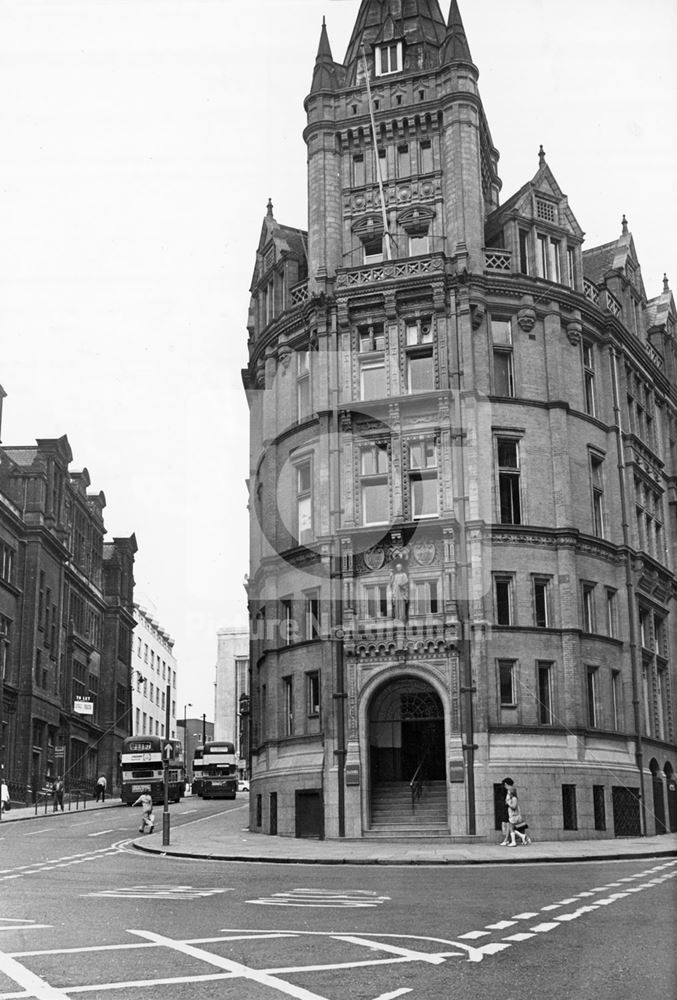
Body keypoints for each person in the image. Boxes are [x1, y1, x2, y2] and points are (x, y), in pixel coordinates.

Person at [503, 776, 530, 846]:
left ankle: (515, 840)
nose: (508, 793)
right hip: (513, 815)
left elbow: (513, 806)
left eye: (509, 792)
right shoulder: (513, 798)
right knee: (513, 828)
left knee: (512, 828)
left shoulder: (514, 798)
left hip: (514, 815)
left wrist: (508, 803)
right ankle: (522, 838)